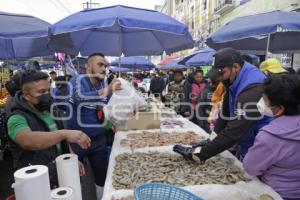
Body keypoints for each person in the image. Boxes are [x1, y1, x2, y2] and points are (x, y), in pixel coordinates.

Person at [173, 48, 271, 162]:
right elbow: (224, 113)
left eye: (222, 73)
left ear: (235, 67)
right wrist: (211, 140)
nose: (220, 78)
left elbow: (235, 131)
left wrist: (201, 154)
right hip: (246, 143)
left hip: (263, 148)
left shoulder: (252, 88)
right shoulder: (232, 79)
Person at [6, 70, 91, 188]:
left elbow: (61, 141)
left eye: (48, 90)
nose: (46, 95)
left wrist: (72, 158)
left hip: (59, 170)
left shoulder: (50, 109)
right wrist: (64, 134)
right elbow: (28, 141)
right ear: (26, 95)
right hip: (36, 179)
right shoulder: (16, 118)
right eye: (41, 92)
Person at [66, 53, 121, 198]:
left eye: (105, 66)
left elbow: (106, 108)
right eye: (100, 64)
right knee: (73, 179)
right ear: (87, 66)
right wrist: (108, 90)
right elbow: (80, 98)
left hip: (98, 140)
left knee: (101, 176)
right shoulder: (76, 81)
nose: (104, 68)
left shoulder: (103, 84)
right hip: (76, 141)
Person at [243, 74, 300, 200]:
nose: (262, 103)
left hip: (277, 194)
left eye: (265, 100)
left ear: (279, 109)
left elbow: (251, 167)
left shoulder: (271, 136)